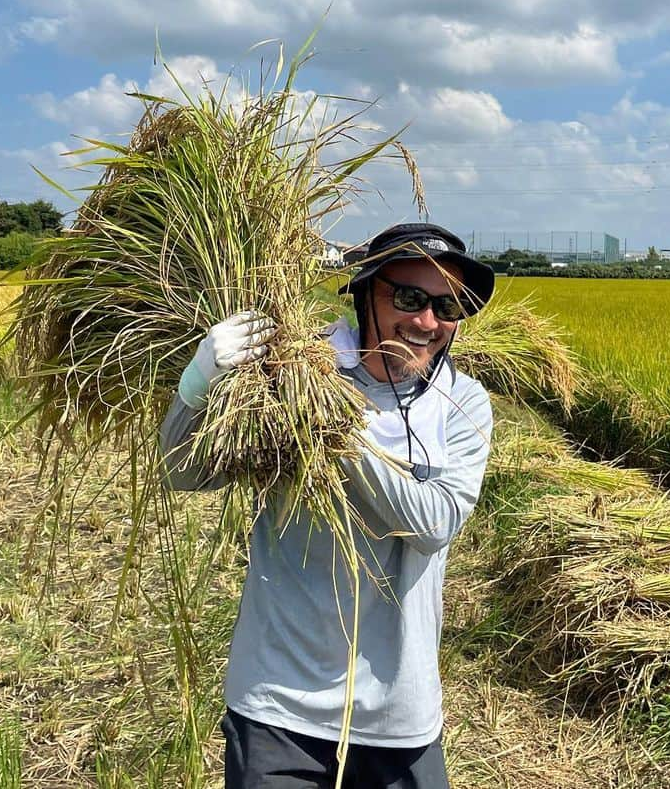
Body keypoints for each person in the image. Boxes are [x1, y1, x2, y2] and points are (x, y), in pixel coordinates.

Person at [159, 222, 496, 789]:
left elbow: (433, 523)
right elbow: (183, 473)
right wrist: (199, 381)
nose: (427, 322)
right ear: (365, 293)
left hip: (398, 706)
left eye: (449, 305)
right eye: (410, 298)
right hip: (278, 699)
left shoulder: (461, 404)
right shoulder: (286, 373)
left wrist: (333, 430)